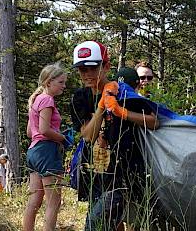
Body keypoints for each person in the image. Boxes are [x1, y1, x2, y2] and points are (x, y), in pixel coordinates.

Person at [70, 41, 160, 231]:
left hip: (124, 172)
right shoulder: (79, 98)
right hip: (95, 173)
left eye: (92, 68)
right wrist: (103, 106)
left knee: (95, 225)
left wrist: (122, 112)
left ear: (106, 66)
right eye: (81, 69)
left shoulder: (124, 93)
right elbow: (88, 136)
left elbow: (154, 122)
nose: (86, 74)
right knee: (110, 223)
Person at [24, 63, 69, 231]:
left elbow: (30, 132)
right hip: (46, 151)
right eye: (61, 82)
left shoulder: (35, 100)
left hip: (33, 151)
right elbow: (44, 130)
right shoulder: (47, 100)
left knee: (34, 201)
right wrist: (63, 138)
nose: (64, 86)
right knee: (54, 201)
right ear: (49, 82)